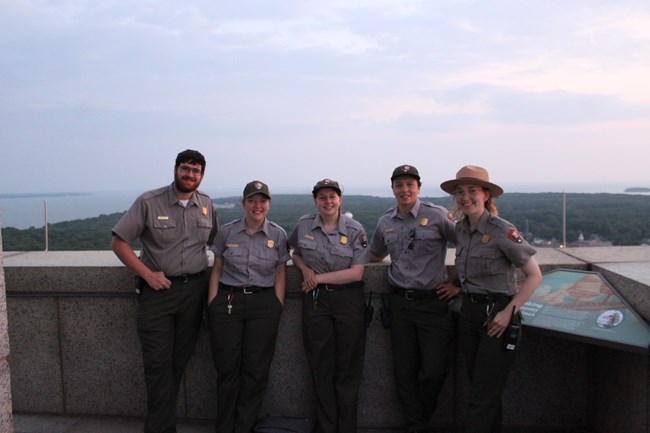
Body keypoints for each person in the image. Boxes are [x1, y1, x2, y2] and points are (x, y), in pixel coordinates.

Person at [111, 149, 218, 433]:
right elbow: (119, 242)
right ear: (175, 169)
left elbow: (217, 243)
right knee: (158, 367)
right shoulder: (149, 201)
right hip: (158, 294)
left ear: (202, 175)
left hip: (195, 292)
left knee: (177, 365)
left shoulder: (207, 204)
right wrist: (147, 274)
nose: (190, 175)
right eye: (185, 169)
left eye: (196, 171)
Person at [440, 165, 542, 433]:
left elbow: (534, 276)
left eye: (472, 190)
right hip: (469, 313)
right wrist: (456, 285)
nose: (465, 197)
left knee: (481, 393)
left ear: (486, 195)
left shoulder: (501, 230)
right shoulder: (461, 229)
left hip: (497, 315)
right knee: (480, 385)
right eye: (460, 192)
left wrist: (508, 313)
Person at [369, 164, 459, 433]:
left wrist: (459, 284)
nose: (404, 189)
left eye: (410, 184)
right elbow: (374, 255)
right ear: (393, 189)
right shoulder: (385, 222)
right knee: (404, 372)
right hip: (399, 305)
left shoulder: (438, 215)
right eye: (399, 185)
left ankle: (421, 417)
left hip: (433, 303)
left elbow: (469, 245)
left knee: (434, 370)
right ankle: (416, 425)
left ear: (418, 188)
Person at [207, 180, 289, 433]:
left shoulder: (278, 234)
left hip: (264, 305)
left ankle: (243, 427)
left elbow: (280, 272)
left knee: (255, 371)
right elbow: (217, 268)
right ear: (243, 204)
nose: (257, 205)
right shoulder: (227, 232)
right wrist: (212, 303)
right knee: (227, 369)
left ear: (269, 204)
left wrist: (277, 305)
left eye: (262, 200)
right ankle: (225, 427)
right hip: (228, 303)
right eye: (252, 200)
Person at [288, 179, 369, 433]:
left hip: (348, 300)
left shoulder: (355, 230)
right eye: (322, 197)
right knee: (320, 367)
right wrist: (304, 269)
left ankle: (346, 428)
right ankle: (325, 427)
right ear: (316, 201)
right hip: (316, 302)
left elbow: (356, 273)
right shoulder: (304, 225)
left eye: (332, 196)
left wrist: (316, 278)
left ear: (340, 200)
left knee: (347, 368)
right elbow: (295, 253)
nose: (328, 201)